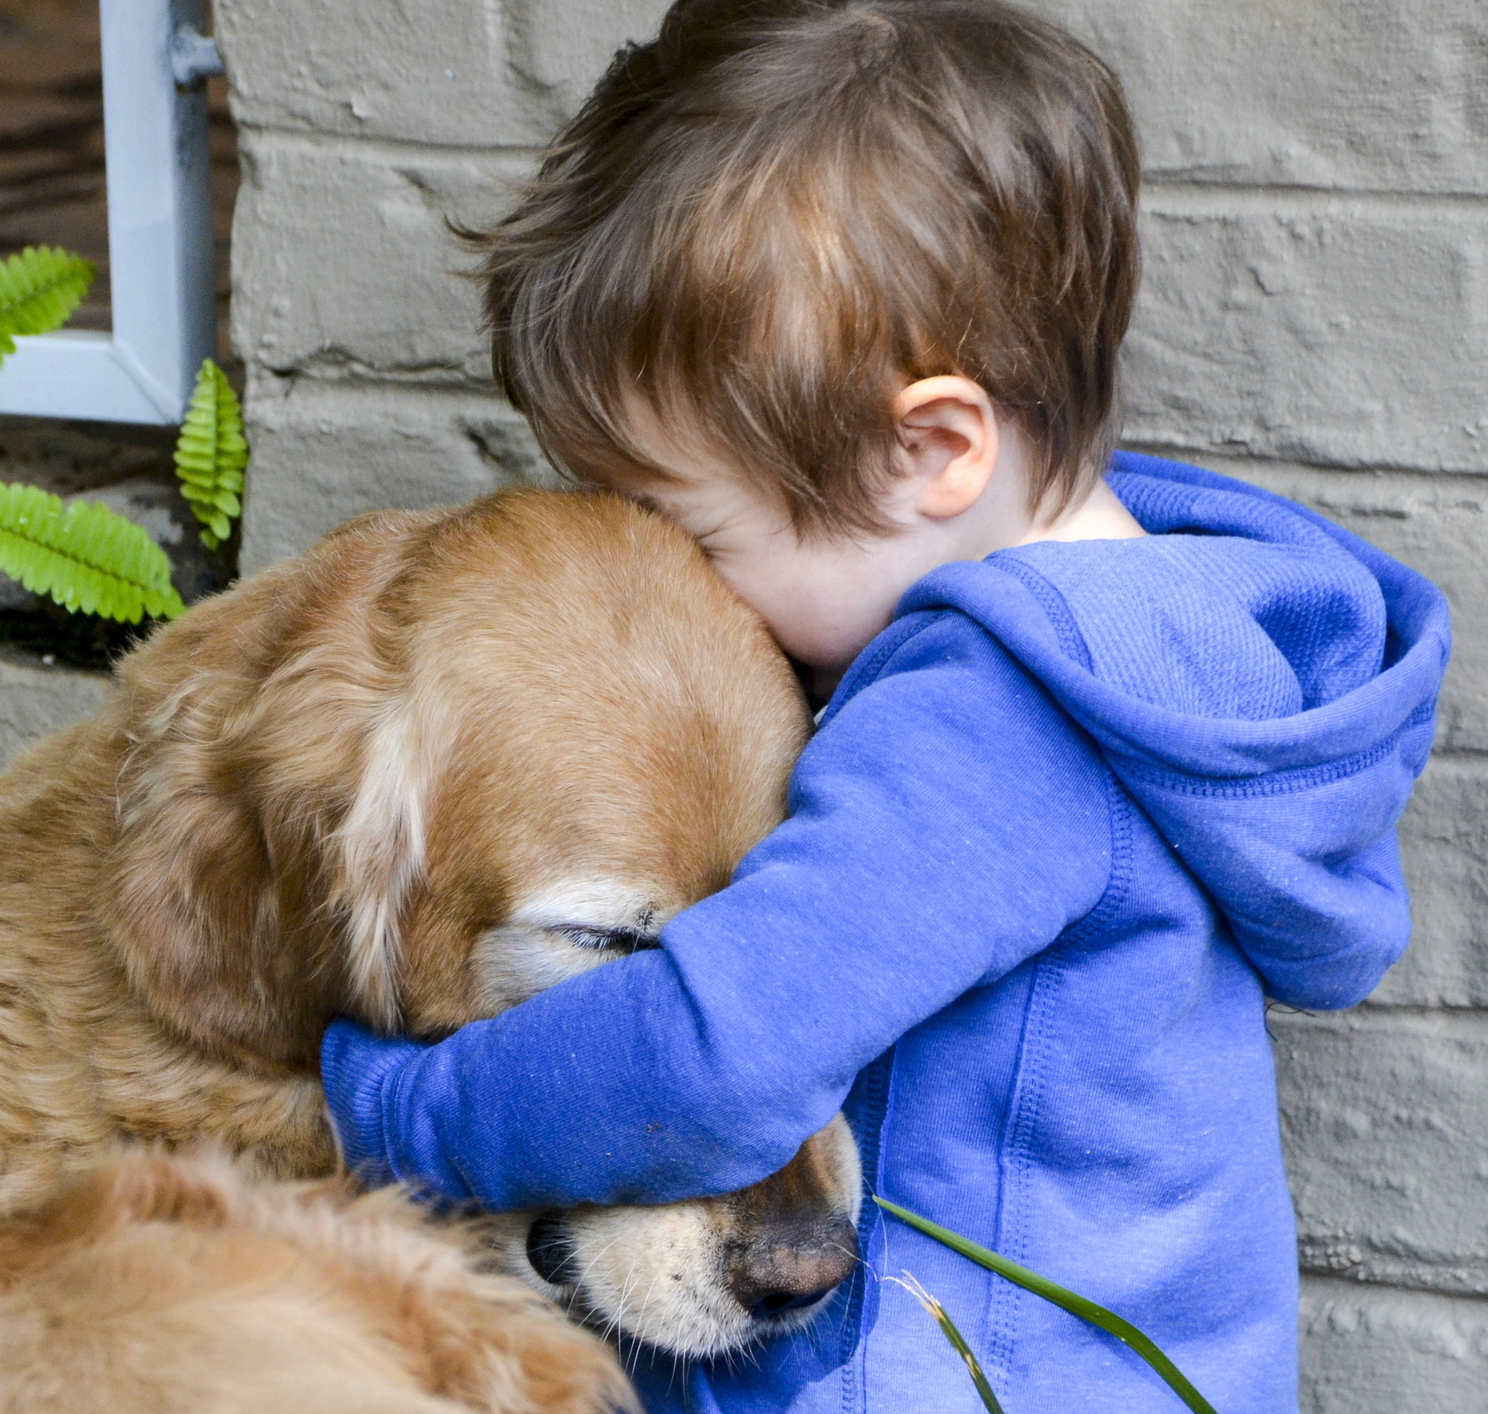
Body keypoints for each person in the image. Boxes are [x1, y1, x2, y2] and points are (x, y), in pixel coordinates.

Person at [315, 2, 1452, 1411]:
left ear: (932, 450)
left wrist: (389, 1111)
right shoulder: (1155, 643)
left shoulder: (997, 724)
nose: (673, 583)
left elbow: (713, 1053)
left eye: (690, 529)